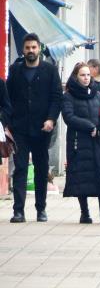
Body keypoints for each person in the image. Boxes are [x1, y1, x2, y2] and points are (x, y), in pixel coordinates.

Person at [7, 33, 62, 223]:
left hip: (42, 128)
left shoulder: (50, 70)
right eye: (28, 48)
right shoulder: (15, 70)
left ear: (39, 49)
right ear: (23, 50)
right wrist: (8, 124)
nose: (31, 51)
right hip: (19, 128)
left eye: (34, 47)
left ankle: (41, 209)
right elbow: (7, 98)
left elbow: (56, 98)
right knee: (20, 168)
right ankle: (18, 211)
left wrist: (51, 119)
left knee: (41, 169)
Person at [62, 62, 100, 224]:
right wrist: (90, 126)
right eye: (82, 75)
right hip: (79, 141)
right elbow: (69, 117)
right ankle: (85, 212)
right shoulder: (69, 95)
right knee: (82, 177)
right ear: (76, 76)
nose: (86, 78)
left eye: (88, 74)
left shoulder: (98, 94)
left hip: (98, 140)